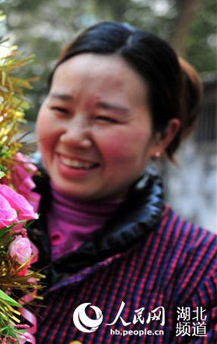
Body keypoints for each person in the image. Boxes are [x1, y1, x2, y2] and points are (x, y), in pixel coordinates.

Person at [27, 22, 216, 342]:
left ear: (163, 135)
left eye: (105, 118)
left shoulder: (198, 272)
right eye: (60, 108)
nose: (73, 137)